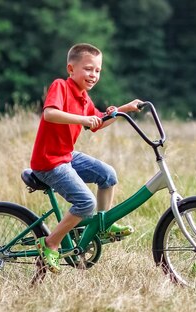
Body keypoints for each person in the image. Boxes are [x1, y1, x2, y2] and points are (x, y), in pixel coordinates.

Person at [30, 43, 142, 273]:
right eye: (88, 69)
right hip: (49, 162)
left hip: (66, 156)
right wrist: (82, 120)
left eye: (98, 71)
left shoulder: (83, 98)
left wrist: (124, 109)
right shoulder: (60, 86)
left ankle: (102, 225)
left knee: (108, 175)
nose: (93, 75)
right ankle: (51, 243)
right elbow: (50, 114)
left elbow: (98, 121)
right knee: (85, 203)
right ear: (71, 69)